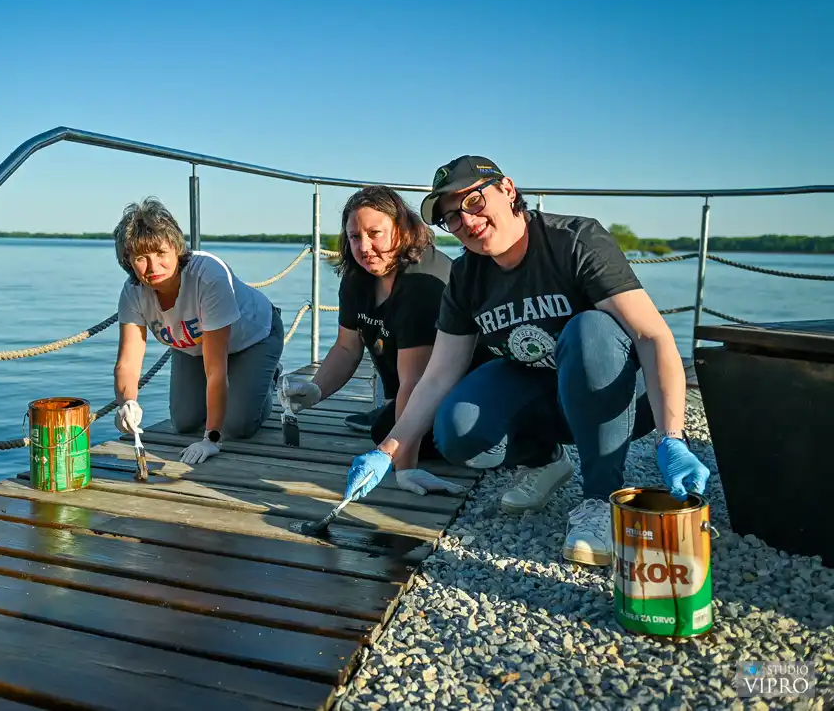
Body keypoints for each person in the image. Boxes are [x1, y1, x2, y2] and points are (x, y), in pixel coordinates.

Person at [343, 155, 710, 566]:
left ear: (508, 190)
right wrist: (388, 450)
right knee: (456, 428)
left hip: (621, 395)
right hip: (543, 390)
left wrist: (672, 437)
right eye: (451, 217)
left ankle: (600, 502)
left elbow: (652, 335)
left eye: (473, 202)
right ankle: (545, 461)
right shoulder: (467, 277)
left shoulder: (573, 240)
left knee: (590, 330)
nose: (466, 221)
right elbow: (437, 376)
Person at [276, 185, 479, 496]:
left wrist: (404, 468)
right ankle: (389, 412)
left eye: (375, 233)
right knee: (382, 429)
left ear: (402, 229)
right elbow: (347, 347)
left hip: (459, 389)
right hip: (410, 384)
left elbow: (417, 382)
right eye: (355, 237)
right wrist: (316, 390)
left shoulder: (422, 281)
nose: (365, 247)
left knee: (440, 437)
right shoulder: (358, 276)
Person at [111, 197, 284, 463]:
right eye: (141, 257)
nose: (153, 266)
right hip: (192, 346)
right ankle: (243, 388)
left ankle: (267, 380)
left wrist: (211, 439)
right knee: (184, 422)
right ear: (128, 261)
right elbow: (128, 362)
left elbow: (216, 370)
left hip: (254, 336)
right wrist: (127, 403)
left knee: (237, 427)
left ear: (177, 249)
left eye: (161, 253)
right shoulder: (132, 291)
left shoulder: (208, 276)